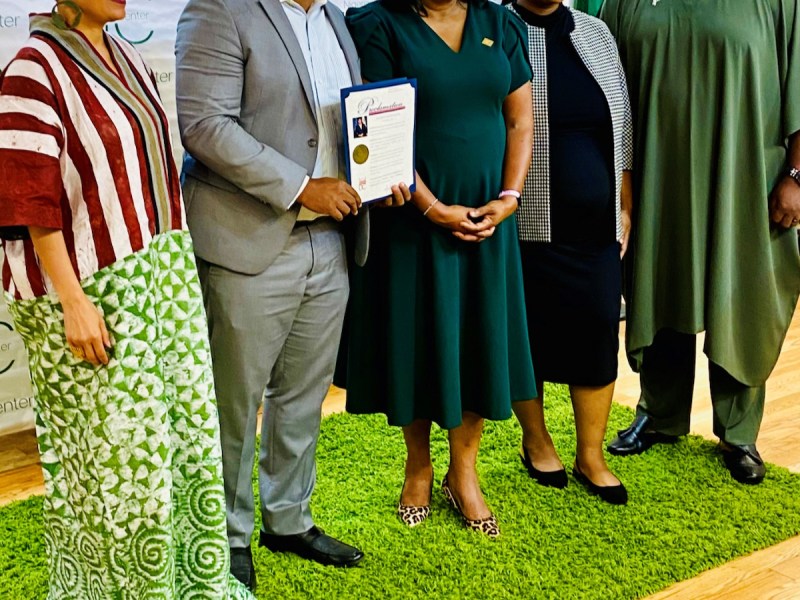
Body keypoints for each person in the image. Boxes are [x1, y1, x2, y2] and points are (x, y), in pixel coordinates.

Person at [0, 2, 252, 598]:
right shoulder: (32, 68)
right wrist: (72, 303)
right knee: (119, 468)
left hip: (160, 282)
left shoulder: (128, 55)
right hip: (96, 294)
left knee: (185, 441)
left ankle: (191, 582)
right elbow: (26, 198)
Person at [175, 0, 410, 587]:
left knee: (303, 395)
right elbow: (204, 125)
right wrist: (303, 187)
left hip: (331, 237)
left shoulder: (335, 20)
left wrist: (380, 173)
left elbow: (345, 122)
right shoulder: (218, 10)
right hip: (246, 239)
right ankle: (224, 536)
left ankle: (288, 520)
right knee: (234, 401)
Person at [336, 0, 535, 537]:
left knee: (477, 339)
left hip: (489, 220)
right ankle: (418, 467)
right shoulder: (377, 25)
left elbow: (519, 118)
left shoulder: (501, 23)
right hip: (413, 223)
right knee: (423, 342)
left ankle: (464, 473)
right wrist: (434, 210)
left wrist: (510, 195)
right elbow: (375, 134)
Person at [601, 0, 800, 485]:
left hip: (744, 177)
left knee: (742, 295)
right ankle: (660, 413)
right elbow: (602, 83)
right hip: (657, 176)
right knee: (661, 282)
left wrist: (795, 175)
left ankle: (738, 432)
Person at [507, 0, 633, 505]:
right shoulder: (499, 30)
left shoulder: (596, 32)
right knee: (527, 339)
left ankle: (591, 455)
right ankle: (536, 442)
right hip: (521, 225)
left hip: (595, 228)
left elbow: (621, 126)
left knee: (599, 330)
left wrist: (624, 205)